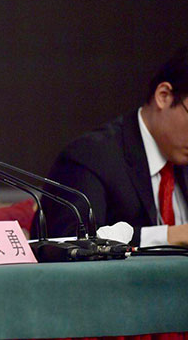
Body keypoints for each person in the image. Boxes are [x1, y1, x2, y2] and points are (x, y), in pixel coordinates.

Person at [33, 46, 188, 247]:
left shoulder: (180, 157)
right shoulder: (90, 156)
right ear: (164, 96)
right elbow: (67, 243)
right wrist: (168, 236)